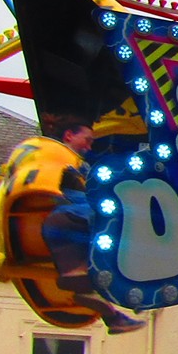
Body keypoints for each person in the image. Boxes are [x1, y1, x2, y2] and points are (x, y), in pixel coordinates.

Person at [35, 116, 144, 334]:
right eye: (87, 140)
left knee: (84, 274)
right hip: (69, 216)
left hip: (65, 228)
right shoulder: (57, 159)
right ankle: (129, 286)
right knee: (119, 221)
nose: (89, 146)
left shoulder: (78, 165)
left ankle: (111, 311)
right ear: (69, 135)